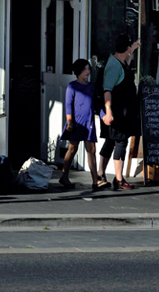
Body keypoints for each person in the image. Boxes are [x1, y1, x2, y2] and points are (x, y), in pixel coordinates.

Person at [97, 34, 140, 191]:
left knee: (110, 140)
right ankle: (119, 179)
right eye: (130, 47)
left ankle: (101, 174)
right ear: (126, 48)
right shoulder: (114, 66)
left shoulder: (118, 61)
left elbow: (126, 66)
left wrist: (133, 50)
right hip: (117, 112)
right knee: (121, 142)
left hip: (121, 111)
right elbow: (107, 90)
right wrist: (108, 112)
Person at [58, 59, 108, 192]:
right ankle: (64, 176)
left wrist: (104, 116)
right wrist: (69, 122)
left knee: (91, 150)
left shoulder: (91, 86)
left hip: (89, 122)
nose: (88, 72)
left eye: (88, 69)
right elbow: (68, 105)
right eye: (85, 69)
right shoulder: (72, 86)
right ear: (78, 71)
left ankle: (95, 180)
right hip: (76, 122)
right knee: (72, 148)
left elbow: (97, 105)